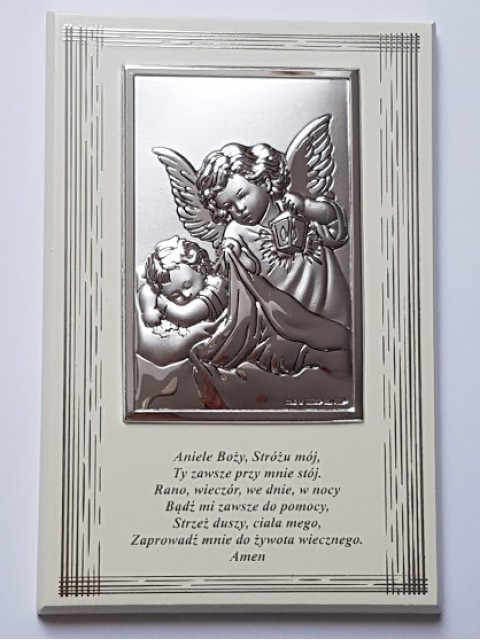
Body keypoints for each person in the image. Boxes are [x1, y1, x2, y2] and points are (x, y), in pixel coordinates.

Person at [194, 142, 351, 379]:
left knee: (336, 347)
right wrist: (235, 258)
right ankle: (307, 350)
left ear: (264, 181)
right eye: (229, 206)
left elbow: (335, 227)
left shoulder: (292, 204)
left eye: (242, 195)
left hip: (326, 298)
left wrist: (308, 207)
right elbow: (245, 277)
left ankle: (324, 344)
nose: (239, 208)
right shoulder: (236, 232)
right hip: (283, 313)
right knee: (281, 353)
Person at [138, 235, 226, 338]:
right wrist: (148, 310)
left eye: (188, 285)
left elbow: (185, 317)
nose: (186, 294)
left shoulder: (216, 287)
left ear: (200, 270)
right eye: (175, 295)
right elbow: (147, 288)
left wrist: (164, 305)